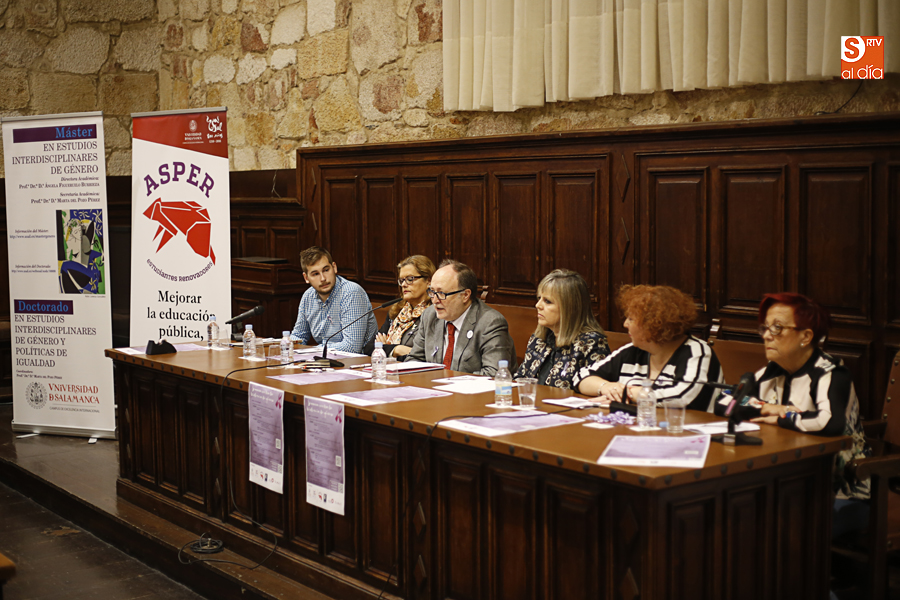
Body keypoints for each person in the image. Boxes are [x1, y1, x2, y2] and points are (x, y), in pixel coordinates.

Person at [733, 293, 870, 533]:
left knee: (768, 521)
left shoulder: (830, 373)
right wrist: (763, 406)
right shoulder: (770, 371)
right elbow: (729, 403)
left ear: (805, 336)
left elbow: (829, 423)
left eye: (777, 328)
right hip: (784, 480)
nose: (766, 336)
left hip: (841, 489)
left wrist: (781, 417)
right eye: (765, 328)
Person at [574, 284, 722, 411]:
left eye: (631, 319)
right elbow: (581, 376)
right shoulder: (632, 351)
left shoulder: (697, 352)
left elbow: (681, 396)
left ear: (654, 325)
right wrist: (605, 387)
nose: (625, 324)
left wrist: (626, 393)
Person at [405, 259, 516, 375]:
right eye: (432, 292)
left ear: (465, 295)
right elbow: (414, 361)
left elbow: (494, 374)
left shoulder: (490, 322)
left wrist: (448, 383)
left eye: (442, 293)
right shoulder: (429, 316)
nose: (435, 300)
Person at [514, 269, 610, 389]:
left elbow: (600, 391)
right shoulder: (539, 339)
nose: (538, 305)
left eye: (547, 301)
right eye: (539, 298)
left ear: (569, 308)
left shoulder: (591, 343)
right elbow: (520, 379)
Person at [290, 246, 378, 353]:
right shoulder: (308, 296)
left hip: (358, 363)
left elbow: (352, 347)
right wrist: (286, 345)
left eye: (326, 270)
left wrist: (313, 351)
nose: (323, 278)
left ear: (334, 268)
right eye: (315, 274)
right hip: (326, 361)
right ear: (306, 278)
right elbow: (299, 335)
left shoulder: (351, 293)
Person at [363, 255, 435, 357]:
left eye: (410, 279)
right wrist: (397, 349)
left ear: (428, 281)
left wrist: (385, 348)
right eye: (401, 280)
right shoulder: (397, 312)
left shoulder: (434, 313)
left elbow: (425, 355)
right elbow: (369, 347)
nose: (404, 284)